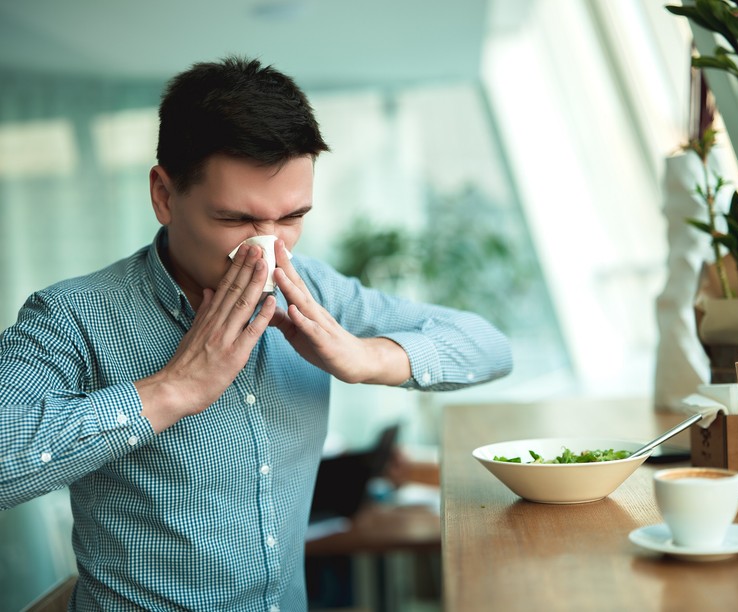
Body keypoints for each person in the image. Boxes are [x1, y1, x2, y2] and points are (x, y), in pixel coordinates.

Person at [0, 56, 512, 611]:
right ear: (165, 196)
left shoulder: (314, 289)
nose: (267, 249)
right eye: (236, 220)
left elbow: (488, 345)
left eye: (292, 216)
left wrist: (365, 358)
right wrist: (172, 390)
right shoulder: (71, 316)